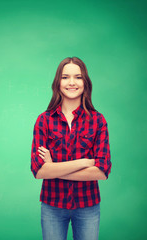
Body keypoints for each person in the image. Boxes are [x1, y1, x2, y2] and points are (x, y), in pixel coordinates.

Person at [30, 56, 112, 240]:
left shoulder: (98, 121)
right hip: (52, 206)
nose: (72, 82)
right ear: (58, 82)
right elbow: (39, 171)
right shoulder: (44, 120)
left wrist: (54, 169)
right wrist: (84, 162)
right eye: (65, 77)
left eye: (78, 77)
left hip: (88, 206)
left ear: (86, 83)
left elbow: (101, 171)